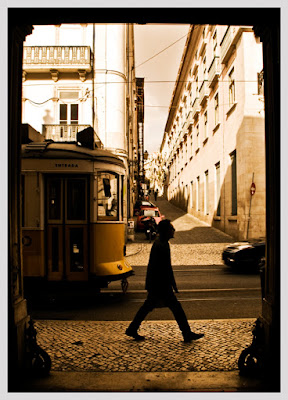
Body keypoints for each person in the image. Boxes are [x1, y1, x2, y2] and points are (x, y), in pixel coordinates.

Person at [125, 219, 204, 342]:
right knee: (175, 308)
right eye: (171, 228)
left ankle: (132, 328)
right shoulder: (161, 245)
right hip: (160, 285)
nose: (174, 231)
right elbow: (164, 268)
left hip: (158, 284)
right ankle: (187, 333)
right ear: (166, 231)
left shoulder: (161, 243)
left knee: (149, 307)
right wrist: (170, 285)